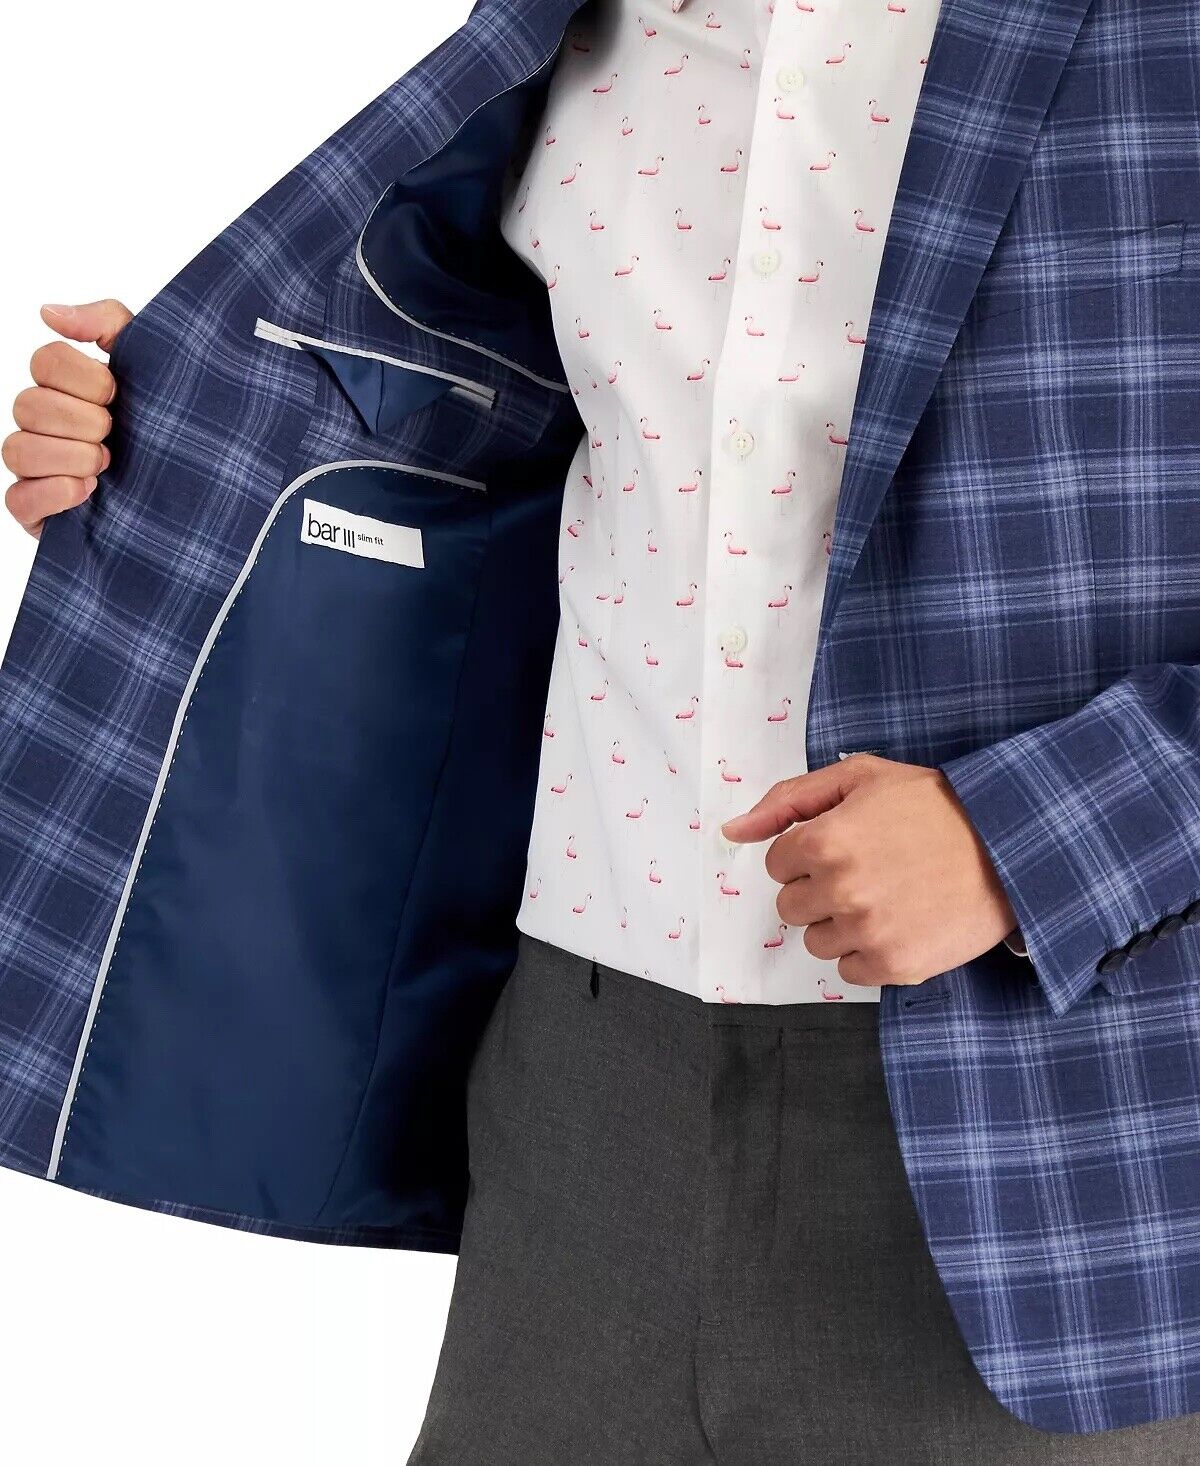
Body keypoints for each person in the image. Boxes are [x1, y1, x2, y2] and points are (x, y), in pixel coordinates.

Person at [4, 1, 1200, 1461]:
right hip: (580, 1096)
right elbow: (480, 426)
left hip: (1044, 1141)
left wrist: (1029, 841)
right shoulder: (580, 26)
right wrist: (175, 444)